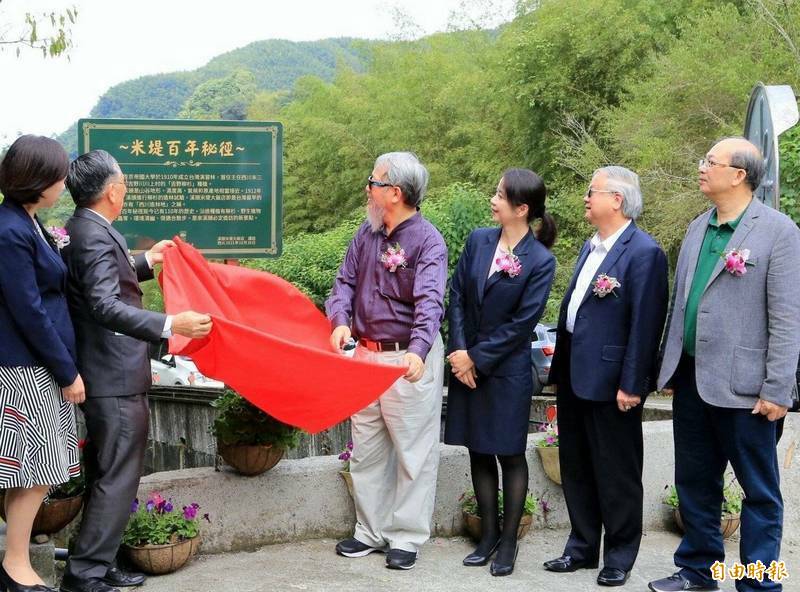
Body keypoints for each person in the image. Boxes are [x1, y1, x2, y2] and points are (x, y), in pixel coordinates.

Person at [649, 138, 800, 592]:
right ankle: (698, 571)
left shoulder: (778, 231)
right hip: (694, 381)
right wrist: (670, 367)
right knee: (695, 483)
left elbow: (788, 318)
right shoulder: (698, 227)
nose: (701, 169)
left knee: (759, 492)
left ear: (739, 174)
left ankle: (757, 583)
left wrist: (778, 389)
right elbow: (682, 306)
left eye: (709, 162)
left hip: (748, 389)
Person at [60, 150, 213, 592]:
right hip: (113, 372)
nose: (125, 188)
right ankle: (85, 572)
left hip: (108, 371)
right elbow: (104, 303)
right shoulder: (91, 234)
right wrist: (171, 323)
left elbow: (105, 278)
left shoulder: (83, 227)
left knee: (109, 471)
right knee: (117, 475)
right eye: (123, 182)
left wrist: (147, 260)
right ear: (112, 190)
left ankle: (99, 560)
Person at [544, 166, 668, 587]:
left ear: (617, 199)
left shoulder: (644, 252)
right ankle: (580, 547)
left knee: (617, 471)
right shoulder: (590, 245)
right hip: (576, 376)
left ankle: (619, 555)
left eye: (591, 191)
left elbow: (645, 325)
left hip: (614, 381)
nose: (585, 198)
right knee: (576, 466)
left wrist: (633, 383)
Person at [325, 151, 447, 571]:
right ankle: (369, 532)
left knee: (413, 451)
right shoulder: (367, 233)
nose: (368, 189)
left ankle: (407, 536)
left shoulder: (428, 240)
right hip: (364, 354)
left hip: (407, 359)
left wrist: (418, 350)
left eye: (373, 182)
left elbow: (431, 302)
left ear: (394, 193)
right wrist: (340, 320)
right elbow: (343, 282)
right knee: (367, 449)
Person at [443, 168, 557, 576]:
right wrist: (459, 352)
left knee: (509, 454)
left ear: (522, 209)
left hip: (504, 371)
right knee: (478, 448)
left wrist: (476, 357)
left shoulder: (540, 260)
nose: (493, 200)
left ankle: (508, 542)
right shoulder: (478, 240)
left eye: (500, 195)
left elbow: (523, 323)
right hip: (466, 365)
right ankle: (487, 534)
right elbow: (456, 295)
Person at [0, 135, 85, 592]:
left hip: (35, 364)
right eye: (59, 173)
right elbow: (27, 309)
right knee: (39, 470)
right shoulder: (9, 230)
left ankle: (14, 566)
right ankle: (15, 565)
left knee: (29, 472)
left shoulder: (26, 222)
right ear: (38, 180)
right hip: (26, 368)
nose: (63, 180)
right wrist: (67, 371)